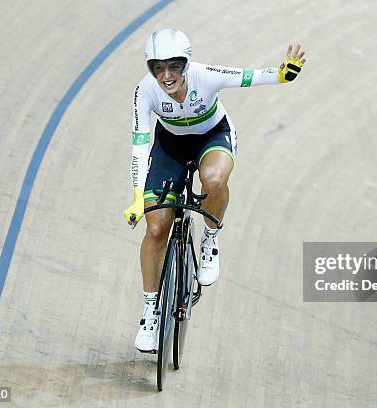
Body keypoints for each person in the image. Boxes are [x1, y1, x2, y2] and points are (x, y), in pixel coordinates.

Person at [122, 28, 306, 352]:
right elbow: (140, 144)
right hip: (170, 148)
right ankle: (150, 310)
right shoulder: (144, 90)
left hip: (212, 137)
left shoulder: (204, 75)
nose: (166, 76)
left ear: (187, 63)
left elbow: (247, 77)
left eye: (174, 66)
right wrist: (138, 197)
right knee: (155, 229)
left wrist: (281, 75)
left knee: (215, 180)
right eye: (158, 67)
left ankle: (210, 238)